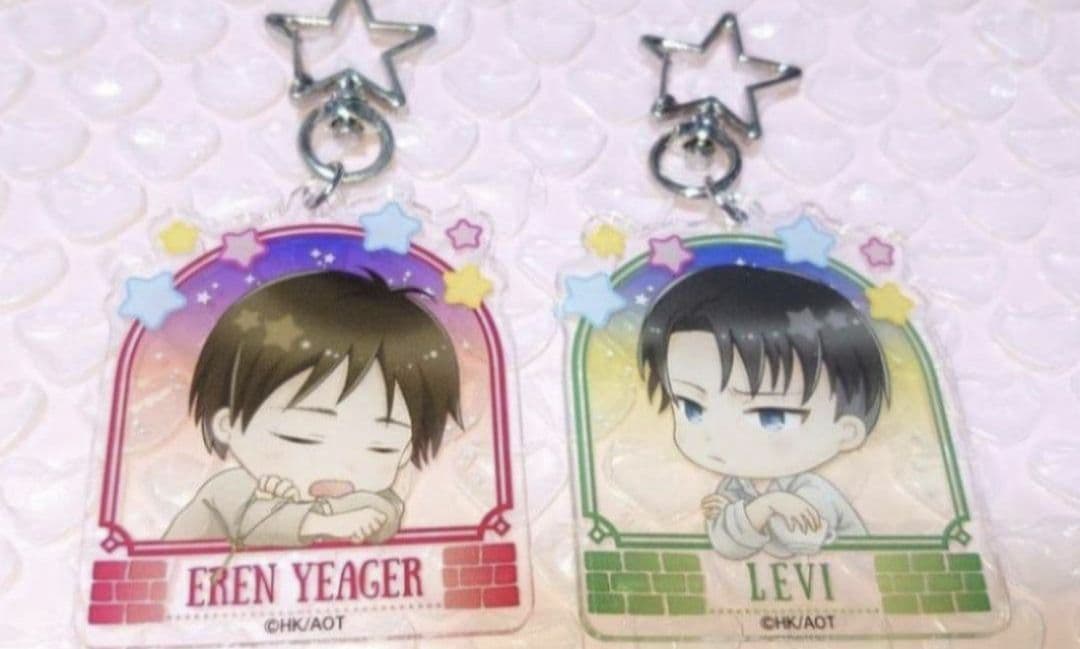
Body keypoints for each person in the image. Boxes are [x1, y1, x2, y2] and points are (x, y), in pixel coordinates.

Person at [164, 270, 461, 548]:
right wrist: (318, 520)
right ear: (227, 425)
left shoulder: (371, 497)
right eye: (301, 438)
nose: (341, 466)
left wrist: (338, 513)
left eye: (380, 447)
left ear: (405, 450)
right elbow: (246, 521)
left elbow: (381, 513)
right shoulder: (228, 489)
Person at [638, 266, 889, 559]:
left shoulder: (813, 489)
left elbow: (799, 538)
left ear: (846, 432)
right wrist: (759, 508)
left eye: (770, 417)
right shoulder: (737, 485)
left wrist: (754, 510)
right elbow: (727, 544)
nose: (716, 437)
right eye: (692, 408)